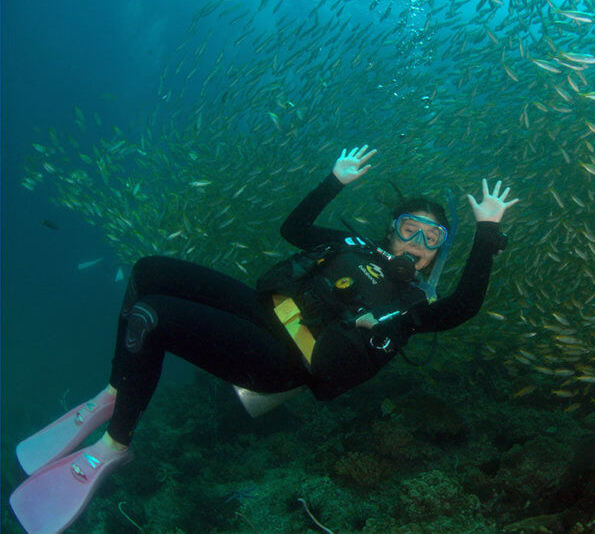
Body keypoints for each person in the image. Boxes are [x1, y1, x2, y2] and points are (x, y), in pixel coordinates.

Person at [9, 145, 518, 533]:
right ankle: (117, 390)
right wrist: (333, 181)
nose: (418, 244)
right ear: (392, 229)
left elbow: (464, 306)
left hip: (282, 362)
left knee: (153, 315)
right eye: (412, 228)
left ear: (440, 252)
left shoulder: (414, 305)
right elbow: (293, 228)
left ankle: (116, 443)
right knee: (149, 271)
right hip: (262, 312)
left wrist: (487, 233)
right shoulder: (352, 244)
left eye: (433, 239)